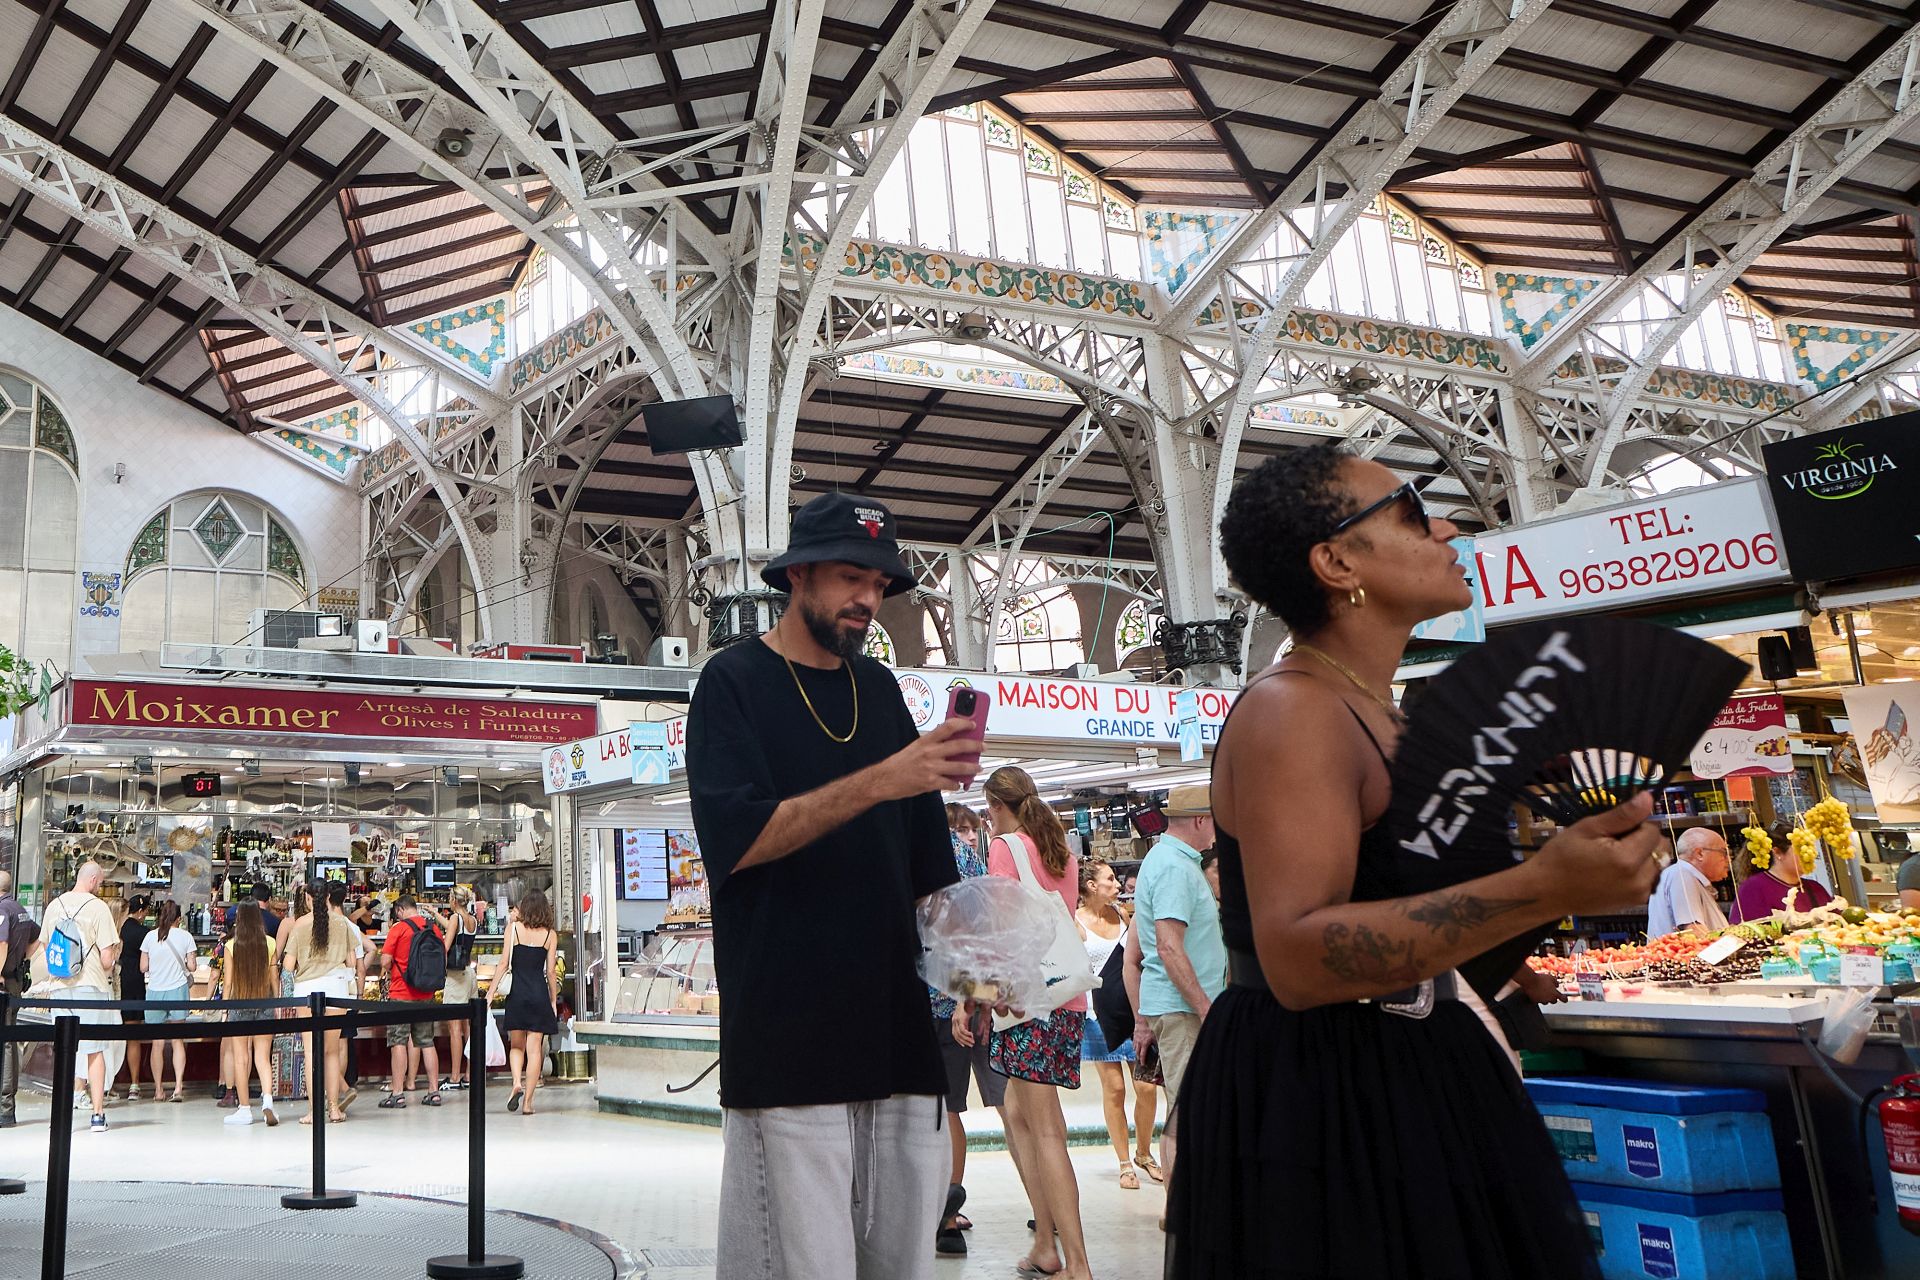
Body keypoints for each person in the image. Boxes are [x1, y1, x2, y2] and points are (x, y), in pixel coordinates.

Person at [1167, 444, 1660, 1279]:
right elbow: (1294, 956)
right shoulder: (1296, 714)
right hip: (1330, 1101)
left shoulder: (1380, 714)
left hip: (1416, 1065)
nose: (1446, 527)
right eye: (1407, 513)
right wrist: (1541, 887)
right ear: (1335, 562)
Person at [686, 491, 978, 1280]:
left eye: (881, 585)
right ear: (801, 574)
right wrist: (882, 778)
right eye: (853, 578)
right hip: (789, 1043)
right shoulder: (732, 682)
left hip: (896, 1040)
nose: (868, 600)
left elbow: (928, 875)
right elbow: (738, 840)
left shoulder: (879, 691)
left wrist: (980, 966)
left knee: (901, 1264)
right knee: (800, 1265)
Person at [982, 766, 1094, 1280]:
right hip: (1066, 1000)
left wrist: (977, 997)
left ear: (998, 807)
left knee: (1045, 1129)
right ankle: (1046, 1244)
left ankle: (1077, 1263)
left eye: (988, 810)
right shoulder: (1061, 853)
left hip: (1025, 1003)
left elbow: (1002, 928)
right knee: (1018, 1113)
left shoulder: (1006, 847)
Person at [1130, 785, 1224, 1187]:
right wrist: (1204, 1006)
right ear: (1201, 821)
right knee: (1187, 1107)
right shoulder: (1173, 866)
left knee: (1188, 1104)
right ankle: (1182, 1203)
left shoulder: (1173, 860)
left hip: (1181, 1005)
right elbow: (1169, 946)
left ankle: (1184, 1202)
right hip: (1184, 1008)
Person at [932, 803, 1002, 1257]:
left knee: (948, 1110)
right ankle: (1048, 1209)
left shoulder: (945, 859)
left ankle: (947, 1212)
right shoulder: (976, 861)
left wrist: (962, 999)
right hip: (987, 998)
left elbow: (957, 934)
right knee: (1012, 1108)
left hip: (948, 1003)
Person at [1076, 859, 1160, 1190]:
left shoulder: (1122, 915)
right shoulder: (1075, 922)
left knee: (1146, 1086)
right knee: (1115, 1089)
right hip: (1098, 1017)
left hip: (1134, 1011)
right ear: (1092, 886)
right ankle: (1125, 1162)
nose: (1118, 883)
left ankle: (1143, 1152)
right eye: (1110, 878)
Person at [44, 861, 123, 1134]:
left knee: (64, 1048)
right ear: (92, 881)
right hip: (91, 986)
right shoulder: (98, 908)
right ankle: (97, 1114)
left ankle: (62, 1111)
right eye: (100, 883)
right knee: (95, 1049)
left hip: (59, 986)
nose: (99, 887)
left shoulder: (55, 905)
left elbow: (47, 949)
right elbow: (106, 959)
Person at [283, 881, 359, 1124]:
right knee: (332, 1051)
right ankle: (334, 1109)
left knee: (310, 1052)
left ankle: (314, 1111)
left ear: (307, 897)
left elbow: (287, 965)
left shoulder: (299, 924)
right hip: (337, 989)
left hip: (308, 991)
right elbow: (352, 962)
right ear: (328, 896)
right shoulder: (342, 923)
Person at [491, 888, 558, 1115]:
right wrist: (553, 999)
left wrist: (489, 994)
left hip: (517, 993)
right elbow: (550, 972)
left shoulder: (514, 930)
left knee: (517, 1045)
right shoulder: (550, 935)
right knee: (535, 1050)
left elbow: (502, 964)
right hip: (539, 994)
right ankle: (528, 1103)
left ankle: (516, 1082)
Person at [378, 894, 445, 1108]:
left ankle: (398, 1093)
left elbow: (386, 960)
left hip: (401, 994)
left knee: (398, 1041)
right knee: (426, 1041)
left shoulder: (398, 929)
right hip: (426, 994)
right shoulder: (433, 928)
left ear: (399, 910)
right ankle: (434, 1091)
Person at [220, 903, 279, 1126]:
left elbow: (228, 982)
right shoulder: (270, 943)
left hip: (239, 1003)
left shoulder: (231, 945)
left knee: (240, 1058)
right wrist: (278, 1003)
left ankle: (244, 1109)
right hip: (265, 1002)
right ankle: (268, 1100)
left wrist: (224, 1009)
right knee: (263, 1057)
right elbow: (274, 978)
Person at [139, 900, 197, 1103]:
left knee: (157, 1043)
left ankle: (158, 1090)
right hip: (177, 991)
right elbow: (192, 967)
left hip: (155, 992)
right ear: (178, 919)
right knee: (177, 1040)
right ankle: (179, 1087)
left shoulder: (149, 936)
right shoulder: (186, 937)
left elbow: (143, 967)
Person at [1732, 823, 1832, 922]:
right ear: (1777, 852)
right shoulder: (1753, 888)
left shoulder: (1815, 888)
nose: (1810, 854)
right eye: (1800, 848)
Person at [1648, 827, 1732, 937]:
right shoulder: (1682, 875)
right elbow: (1694, 930)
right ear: (1699, 854)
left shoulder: (1685, 875)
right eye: (1724, 852)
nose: (1729, 859)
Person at [0, 869, 34, 1127]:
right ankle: (7, 1105)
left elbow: (1, 945)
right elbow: (38, 938)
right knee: (10, 1042)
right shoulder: (20, 908)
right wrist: (23, 959)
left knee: (6, 1044)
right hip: (16, 980)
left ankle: (4, 1107)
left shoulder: (3, 911)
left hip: (4, 982)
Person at [439, 885, 480, 1091]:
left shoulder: (456, 918)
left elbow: (446, 946)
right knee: (468, 1028)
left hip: (455, 976)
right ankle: (468, 1074)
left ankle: (454, 1077)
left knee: (454, 1029)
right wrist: (434, 915)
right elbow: (455, 928)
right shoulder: (472, 919)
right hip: (470, 974)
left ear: (454, 900)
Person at [113, 895, 151, 1100]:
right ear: (142, 911)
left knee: (110, 1037)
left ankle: (109, 1084)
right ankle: (134, 1084)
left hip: (114, 986)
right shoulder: (144, 933)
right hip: (134, 984)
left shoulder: (116, 930)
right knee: (133, 1036)